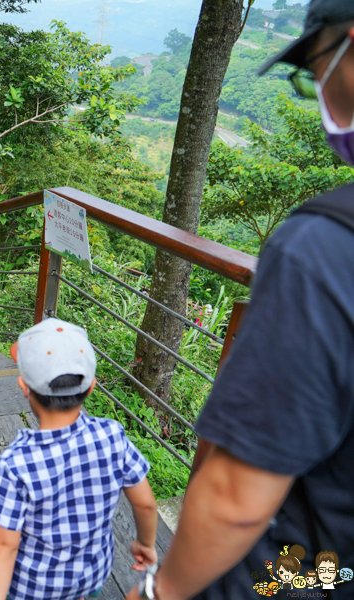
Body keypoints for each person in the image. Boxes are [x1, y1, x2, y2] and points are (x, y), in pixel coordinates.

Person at [125, 3, 354, 599]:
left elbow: (235, 495)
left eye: (314, 70)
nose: (318, 91)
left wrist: (162, 590)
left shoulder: (324, 248)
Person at [0, 318, 159, 600]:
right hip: (91, 575)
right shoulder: (112, 436)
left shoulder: (16, 463)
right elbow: (146, 504)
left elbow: (4, 546)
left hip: (35, 589)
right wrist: (145, 543)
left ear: (24, 387)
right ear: (91, 387)